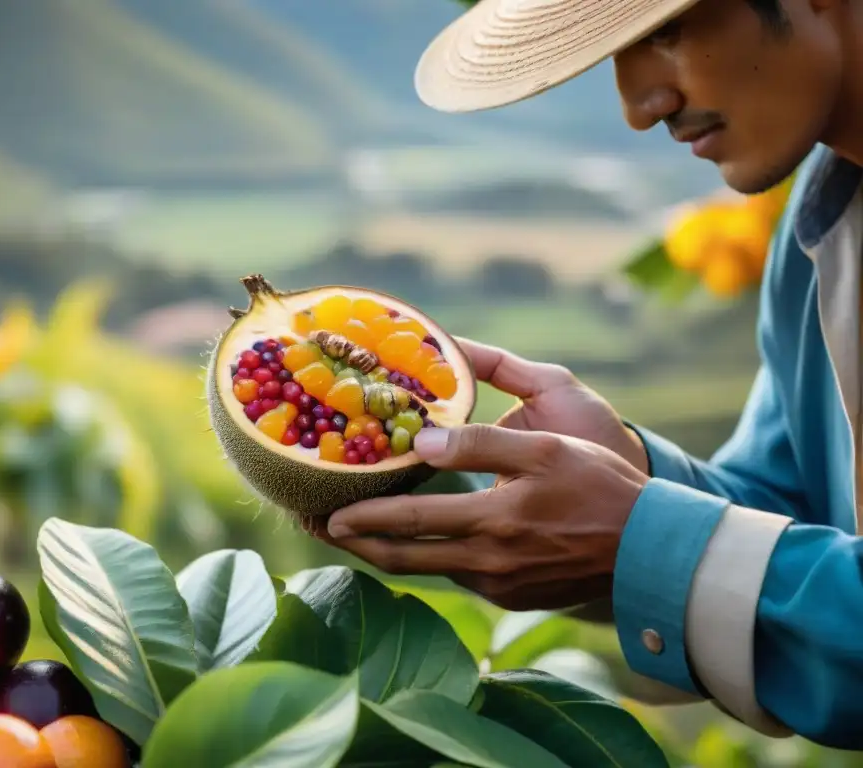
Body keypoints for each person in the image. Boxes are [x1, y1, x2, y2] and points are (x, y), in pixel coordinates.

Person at [317, 0, 863, 751]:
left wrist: (641, 538)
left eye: (664, 32)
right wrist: (626, 478)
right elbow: (791, 517)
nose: (642, 106)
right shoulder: (816, 226)